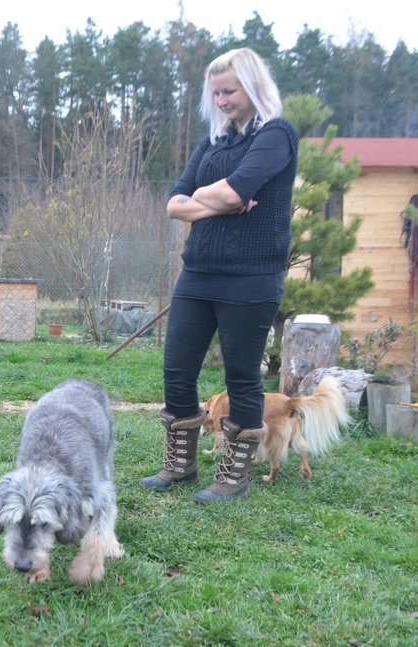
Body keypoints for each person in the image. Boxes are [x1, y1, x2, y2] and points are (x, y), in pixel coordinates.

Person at [139, 47, 299, 503]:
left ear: (252, 86)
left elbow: (234, 192)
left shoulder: (276, 135)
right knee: (177, 369)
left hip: (251, 278)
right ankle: (180, 467)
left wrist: (209, 200)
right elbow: (174, 203)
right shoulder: (213, 144)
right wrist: (221, 199)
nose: (222, 100)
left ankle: (233, 476)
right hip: (199, 273)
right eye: (216, 93)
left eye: (229, 90)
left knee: (243, 376)